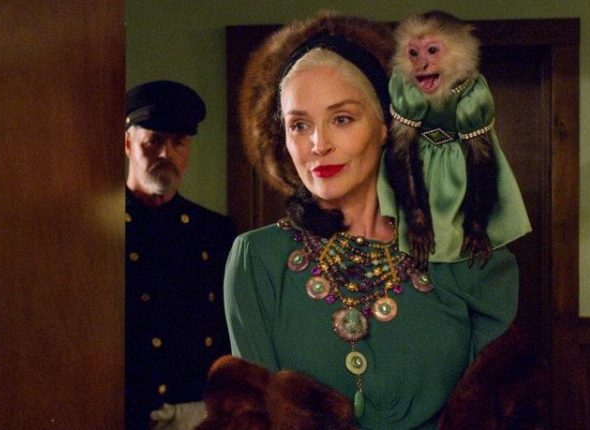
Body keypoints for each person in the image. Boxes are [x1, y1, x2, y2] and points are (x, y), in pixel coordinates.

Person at [196, 13, 538, 430]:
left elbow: (496, 414)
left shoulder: (459, 249)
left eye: (342, 119)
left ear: (385, 127)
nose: (318, 144)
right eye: (299, 125)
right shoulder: (256, 258)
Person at [124, 80, 237, 429]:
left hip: (198, 413)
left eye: (178, 142)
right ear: (128, 144)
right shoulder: (100, 229)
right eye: (154, 141)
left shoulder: (214, 232)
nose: (166, 154)